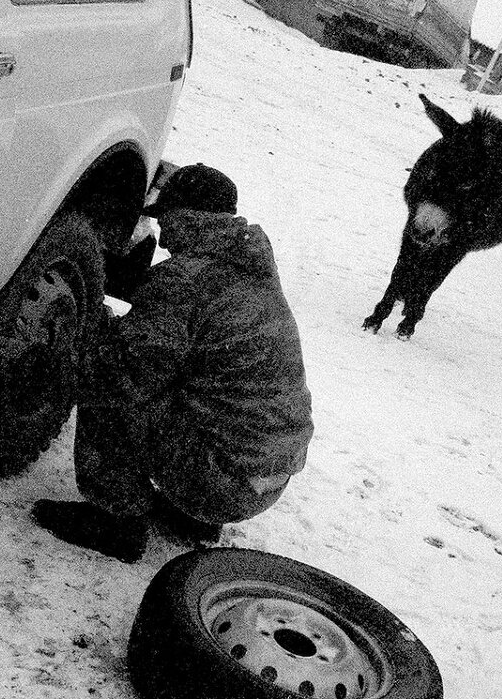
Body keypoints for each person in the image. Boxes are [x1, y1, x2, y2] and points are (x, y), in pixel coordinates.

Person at [31, 164, 314, 563]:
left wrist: (53, 361)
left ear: (183, 216)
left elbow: (123, 374)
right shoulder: (252, 271)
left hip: (222, 481)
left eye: (164, 216)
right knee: (191, 386)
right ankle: (190, 517)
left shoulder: (182, 280)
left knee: (111, 386)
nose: (161, 230)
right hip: (270, 476)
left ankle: (115, 521)